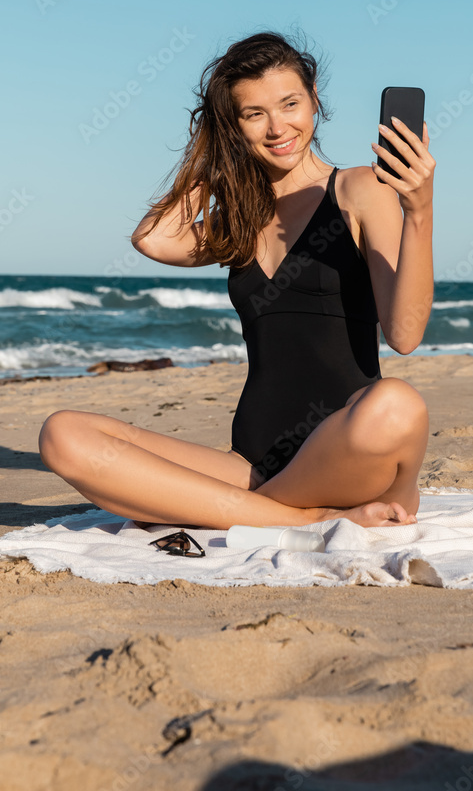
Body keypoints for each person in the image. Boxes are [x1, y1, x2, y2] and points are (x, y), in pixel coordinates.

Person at [39, 31, 435, 530]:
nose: (277, 127)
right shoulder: (242, 219)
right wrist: (215, 143)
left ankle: (259, 512)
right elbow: (154, 239)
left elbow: (405, 334)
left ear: (314, 98)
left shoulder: (359, 188)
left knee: (398, 404)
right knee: (63, 434)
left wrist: (420, 211)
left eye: (290, 103)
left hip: (352, 449)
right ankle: (302, 519)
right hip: (252, 464)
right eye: (253, 114)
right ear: (234, 124)